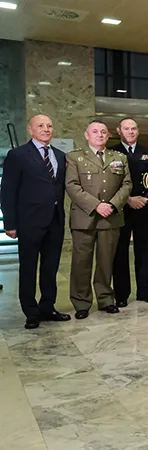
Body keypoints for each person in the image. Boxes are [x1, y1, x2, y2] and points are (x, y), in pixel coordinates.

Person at [1, 115, 71, 329]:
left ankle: (47, 306)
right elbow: (8, 190)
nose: (46, 129)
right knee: (29, 268)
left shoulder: (59, 155)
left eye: (49, 125)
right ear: (30, 130)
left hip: (55, 220)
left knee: (50, 268)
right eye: (40, 126)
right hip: (29, 221)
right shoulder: (18, 155)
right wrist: (10, 223)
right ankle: (31, 311)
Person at [65, 120, 132, 319]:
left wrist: (112, 205)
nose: (100, 135)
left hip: (110, 217)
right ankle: (81, 302)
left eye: (103, 132)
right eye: (95, 132)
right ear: (87, 135)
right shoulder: (75, 157)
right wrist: (96, 205)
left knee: (106, 261)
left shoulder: (120, 157)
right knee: (81, 262)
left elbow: (127, 185)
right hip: (84, 217)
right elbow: (72, 186)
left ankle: (105, 299)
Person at [110, 117, 148, 307]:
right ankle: (121, 294)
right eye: (126, 129)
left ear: (138, 131)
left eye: (133, 129)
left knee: (144, 251)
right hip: (121, 209)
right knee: (120, 252)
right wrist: (127, 199)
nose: (130, 132)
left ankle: (145, 291)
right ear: (119, 130)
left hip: (143, 209)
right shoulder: (112, 151)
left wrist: (147, 198)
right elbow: (109, 183)